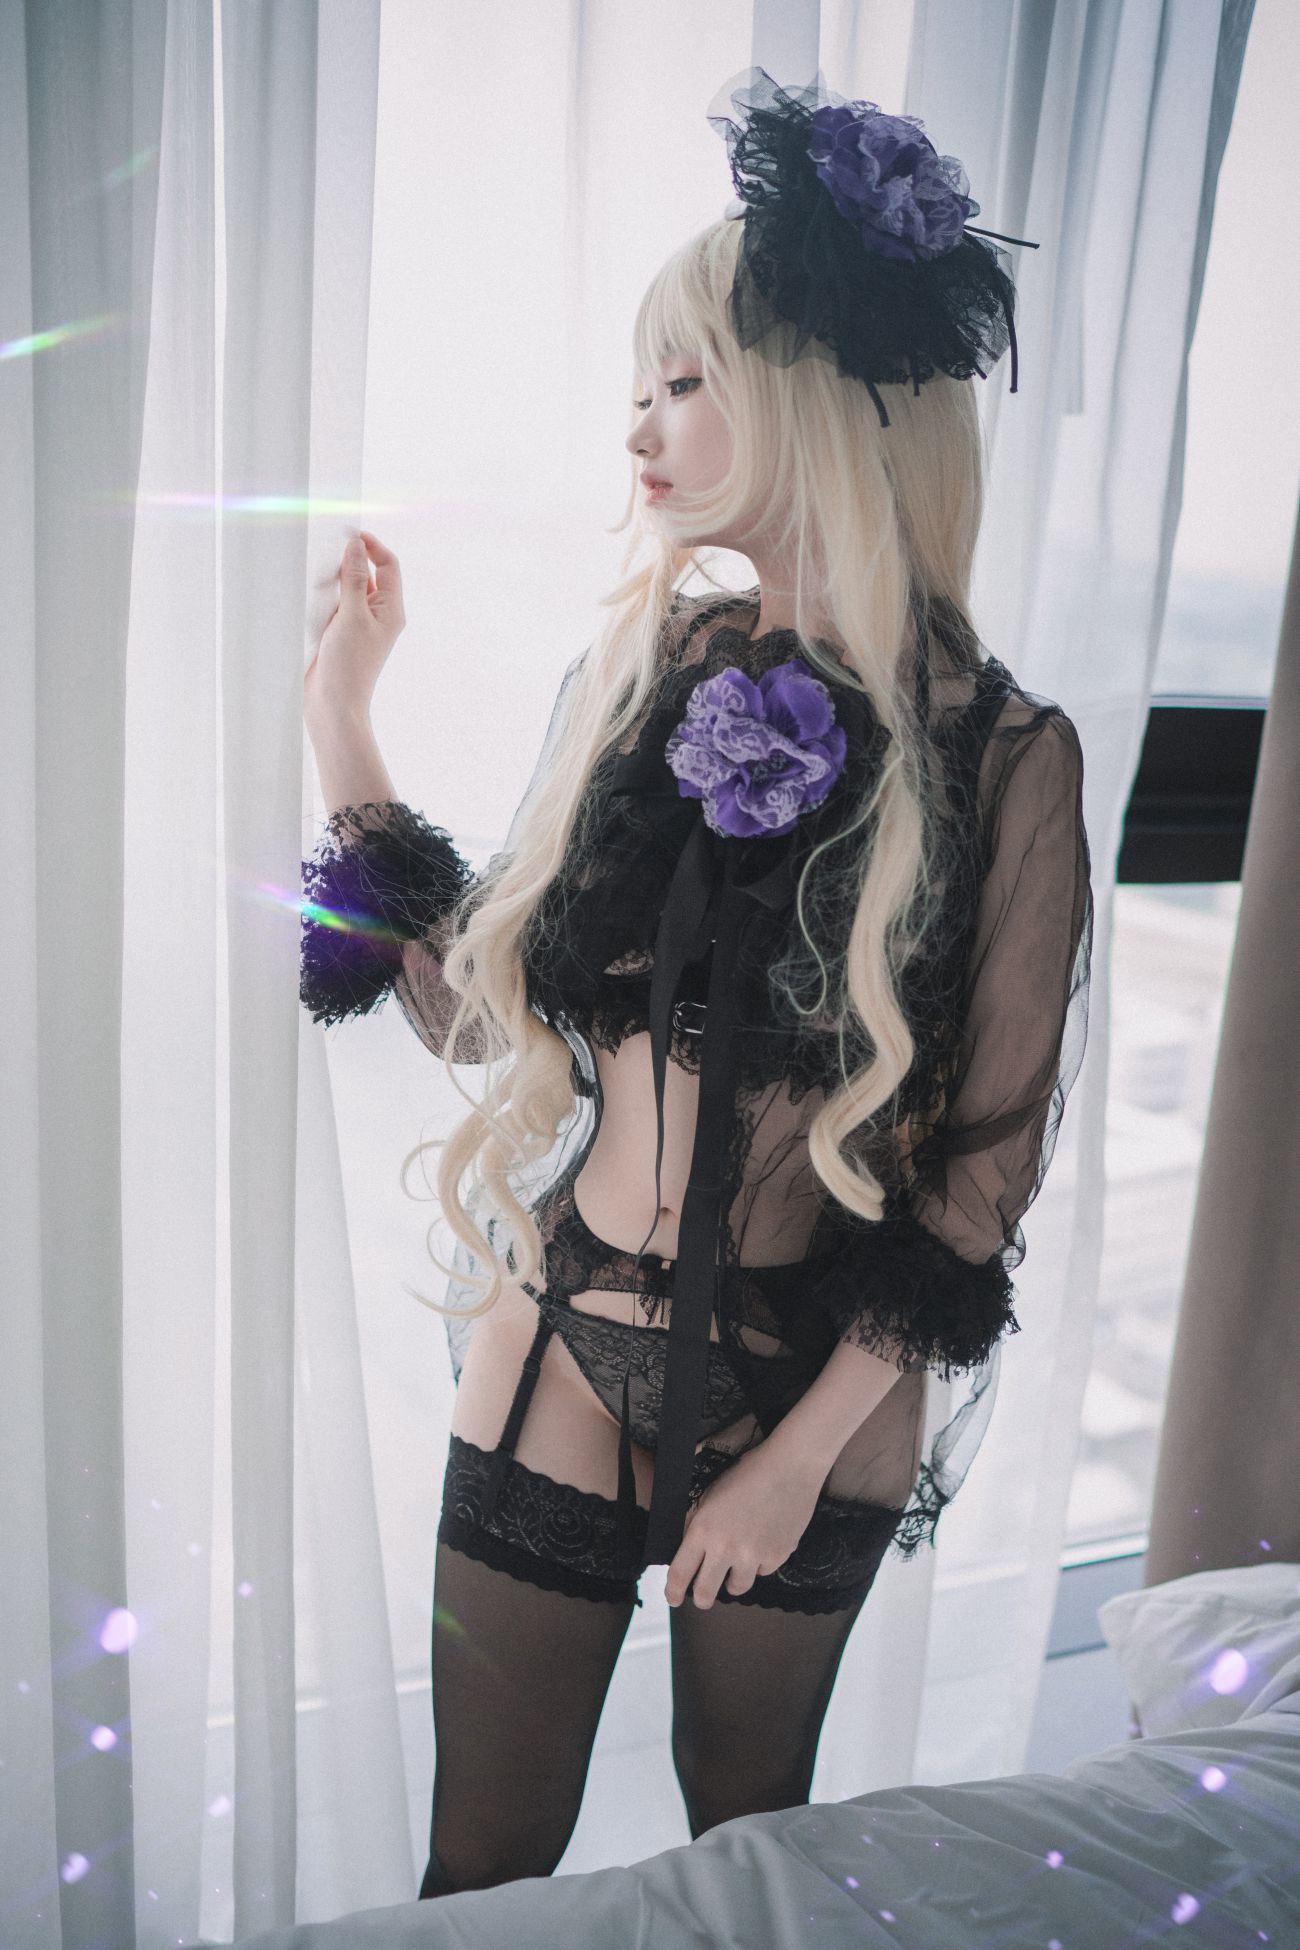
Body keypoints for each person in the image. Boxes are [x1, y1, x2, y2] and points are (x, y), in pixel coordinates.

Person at [298, 68, 1094, 1899]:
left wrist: (792, 1462)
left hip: (826, 1384)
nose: (640, 428)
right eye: (638, 388)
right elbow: (481, 1009)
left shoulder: (1005, 756)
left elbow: (979, 1183)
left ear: (811, 396)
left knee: (754, 1864)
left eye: (682, 380)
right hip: (562, 1333)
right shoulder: (644, 675)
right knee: (482, 1869)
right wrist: (342, 713)